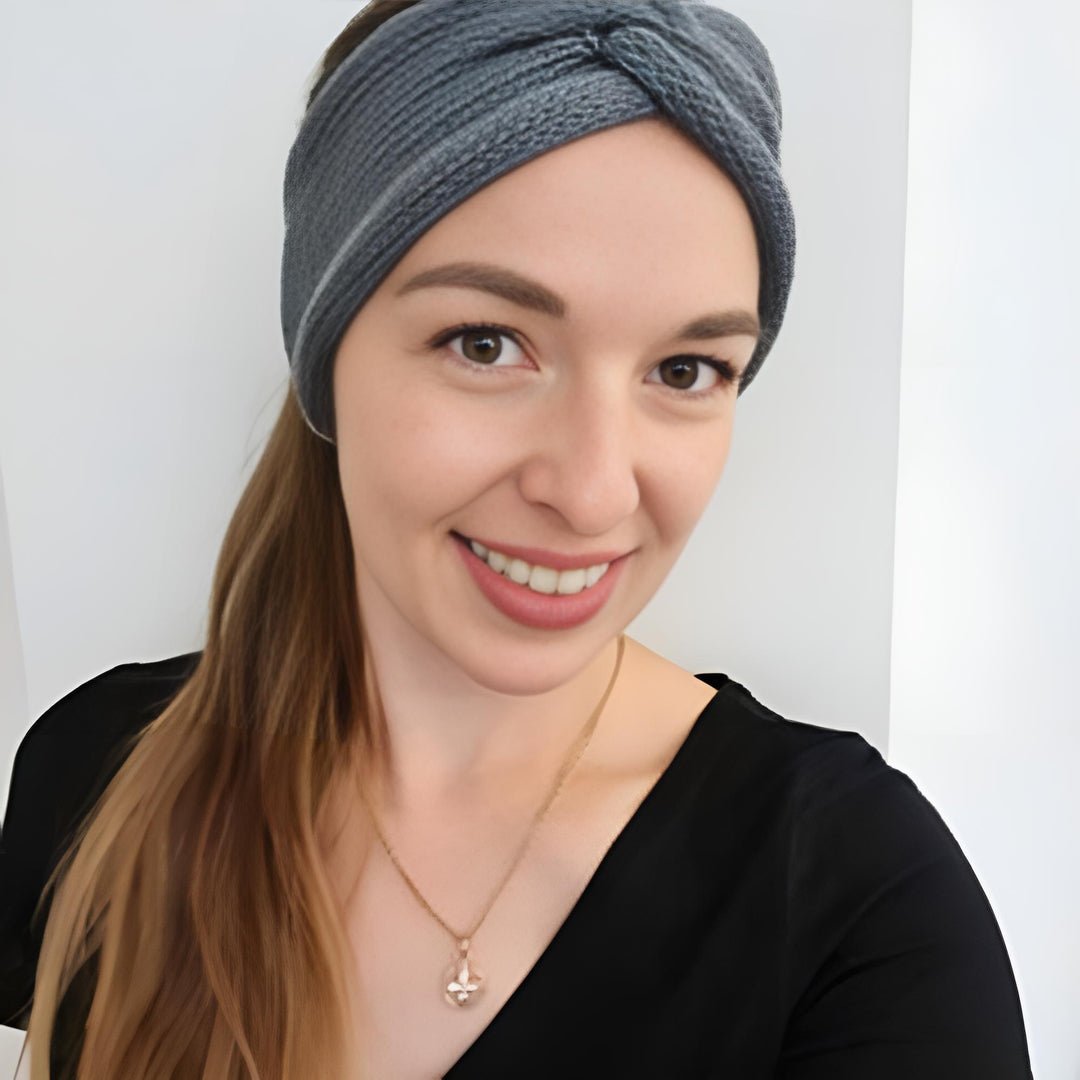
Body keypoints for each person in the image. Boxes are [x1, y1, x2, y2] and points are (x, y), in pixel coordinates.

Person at [0, 0, 1034, 1077]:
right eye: (486, 343)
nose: (591, 495)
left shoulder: (860, 905)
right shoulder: (100, 780)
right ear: (326, 350)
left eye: (686, 371)